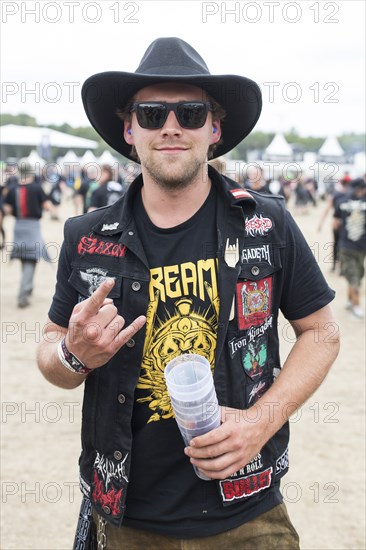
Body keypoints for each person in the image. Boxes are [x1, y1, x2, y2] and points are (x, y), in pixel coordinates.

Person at [37, 37, 339, 549]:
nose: (171, 127)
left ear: (214, 128)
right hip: (126, 515)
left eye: (191, 112)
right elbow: (50, 350)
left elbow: (322, 332)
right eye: (152, 113)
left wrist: (259, 423)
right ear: (129, 128)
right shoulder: (86, 236)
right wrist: (74, 355)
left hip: (247, 512)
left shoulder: (266, 225)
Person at [3, 162, 53, 307]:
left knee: (25, 258)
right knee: (31, 259)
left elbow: (6, 209)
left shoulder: (12, 189)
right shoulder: (37, 188)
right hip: (32, 226)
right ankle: (22, 295)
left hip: (18, 226)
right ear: (31, 173)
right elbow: (48, 207)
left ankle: (28, 287)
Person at [333, 177, 366, 319]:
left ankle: (349, 300)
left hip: (346, 245)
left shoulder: (341, 201)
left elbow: (335, 224)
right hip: (360, 246)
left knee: (356, 274)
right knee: (355, 274)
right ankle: (356, 305)